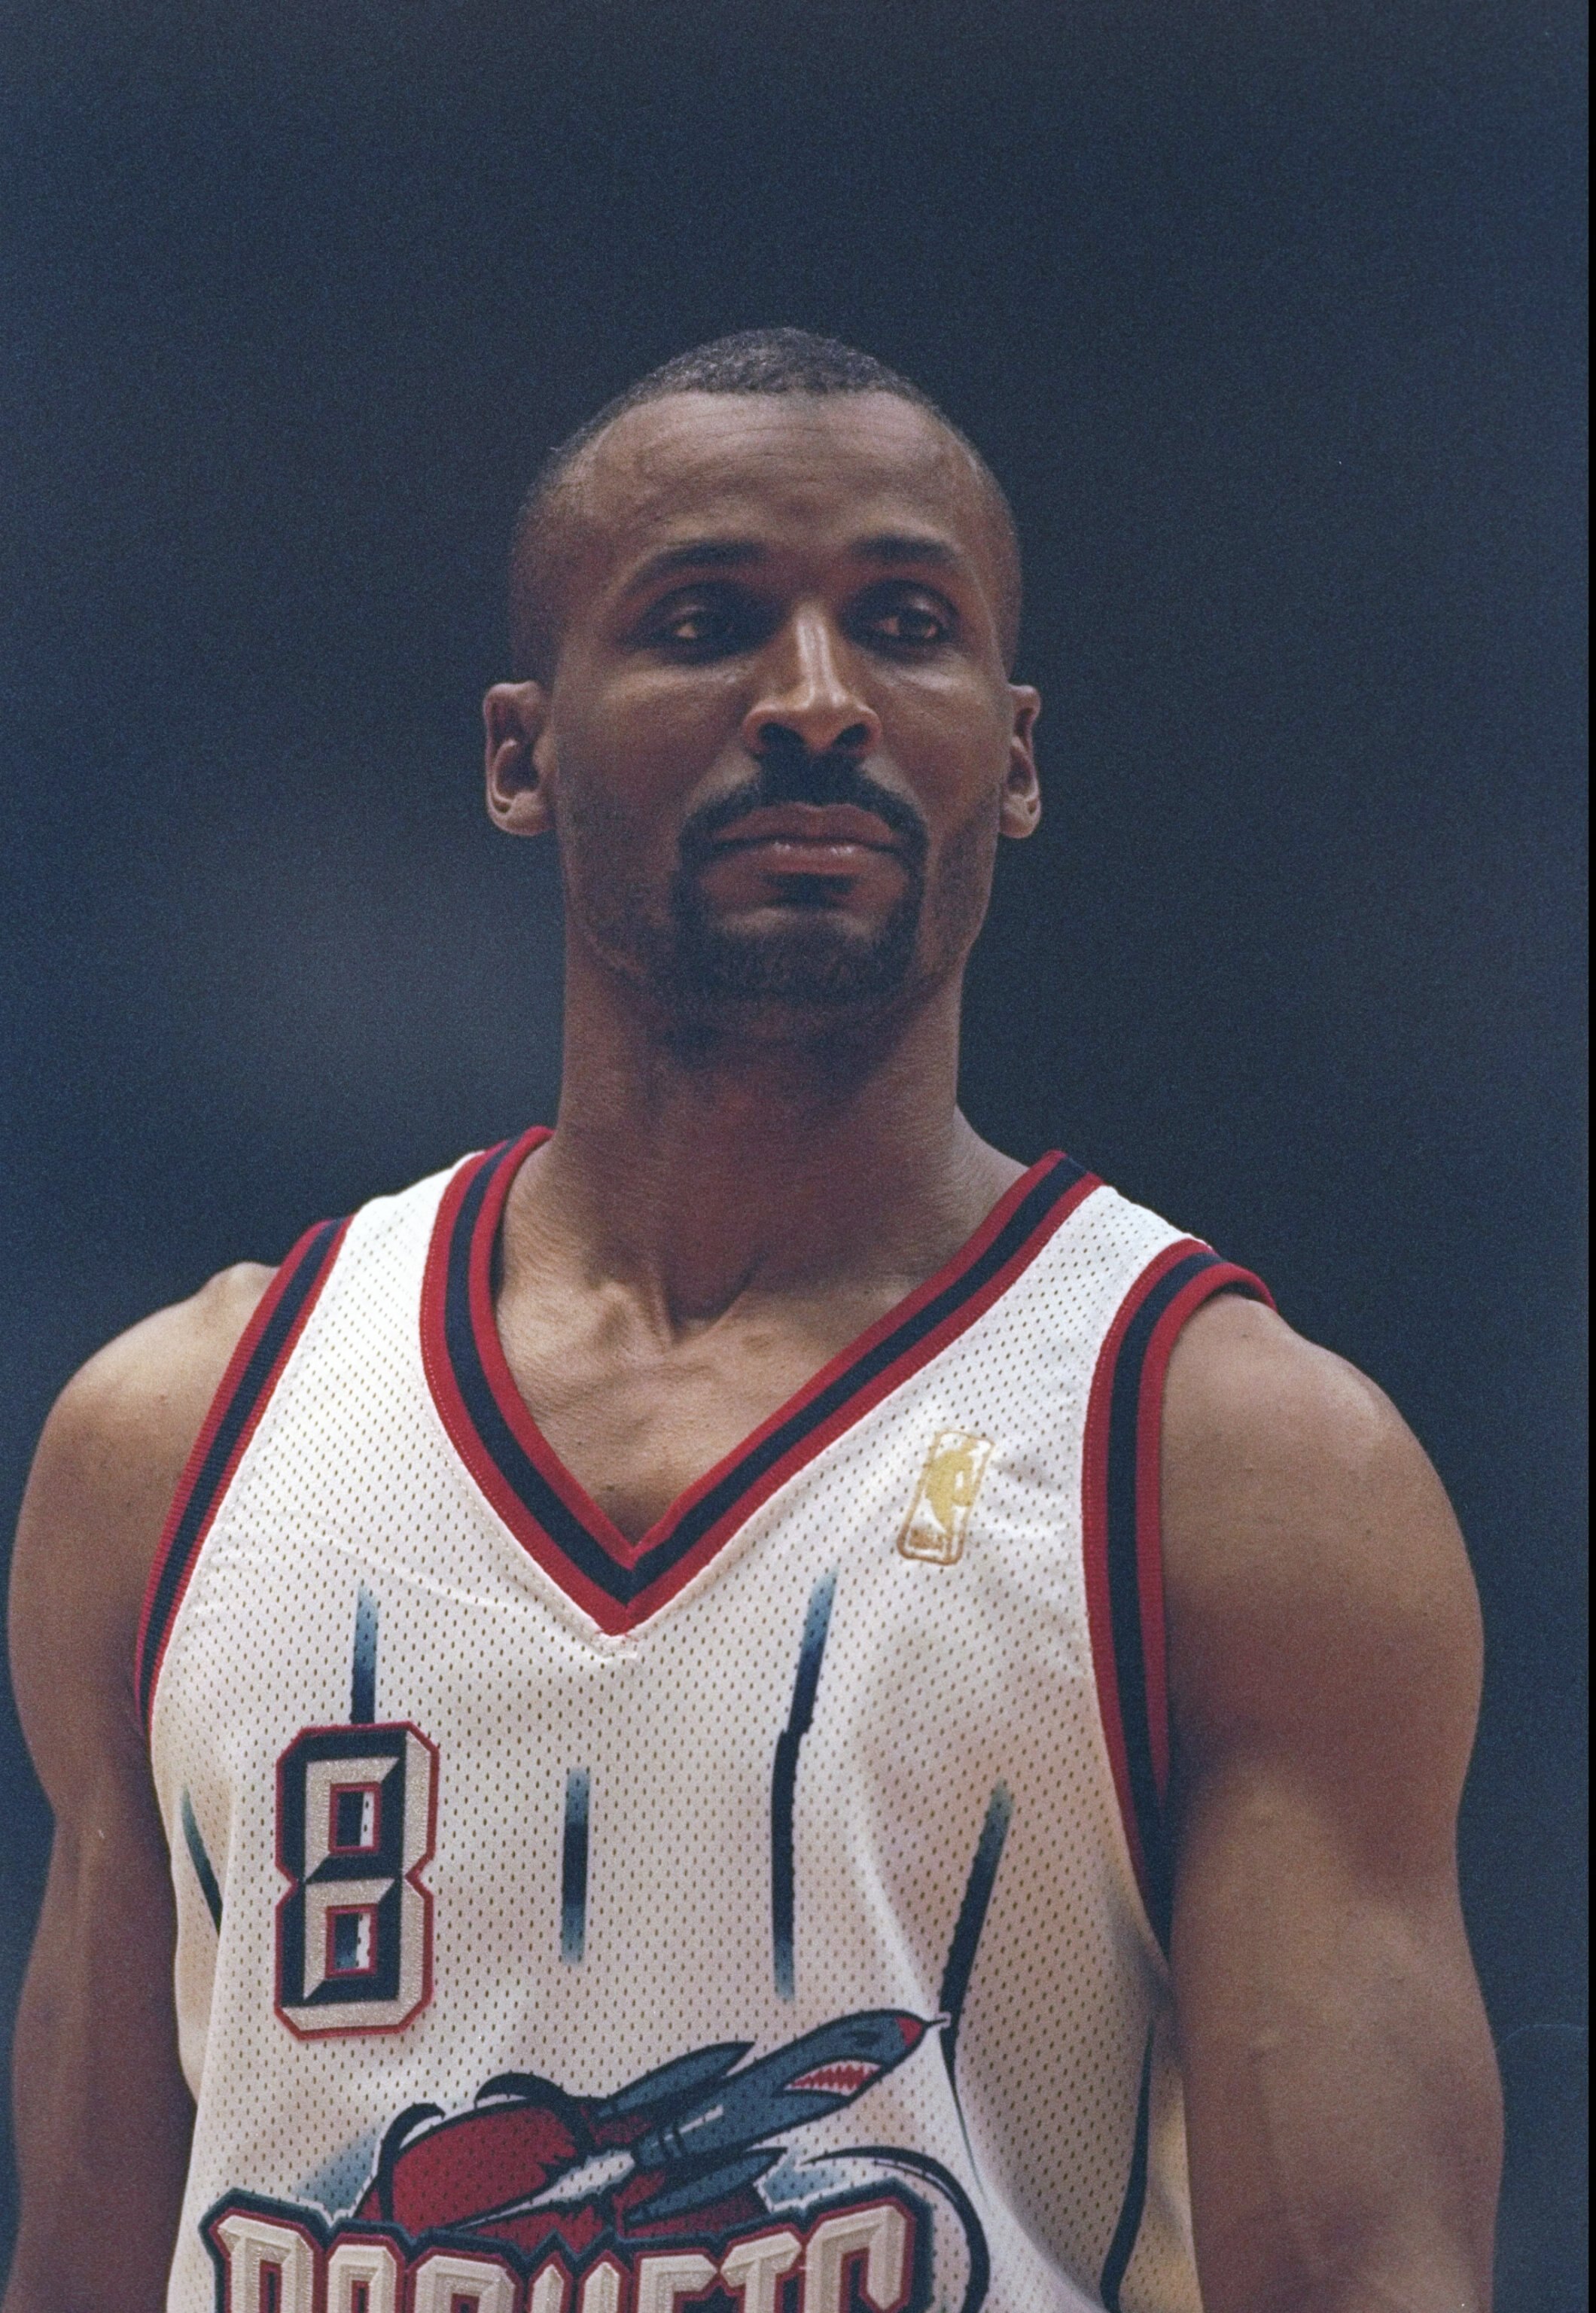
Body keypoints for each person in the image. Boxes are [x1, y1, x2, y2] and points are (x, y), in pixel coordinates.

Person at [6, 329, 1500, 2313]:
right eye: (708, 624)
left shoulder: (1237, 1468)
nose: (815, 702)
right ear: (521, 753)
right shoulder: (172, 1444)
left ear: (1018, 751)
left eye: (905, 626)